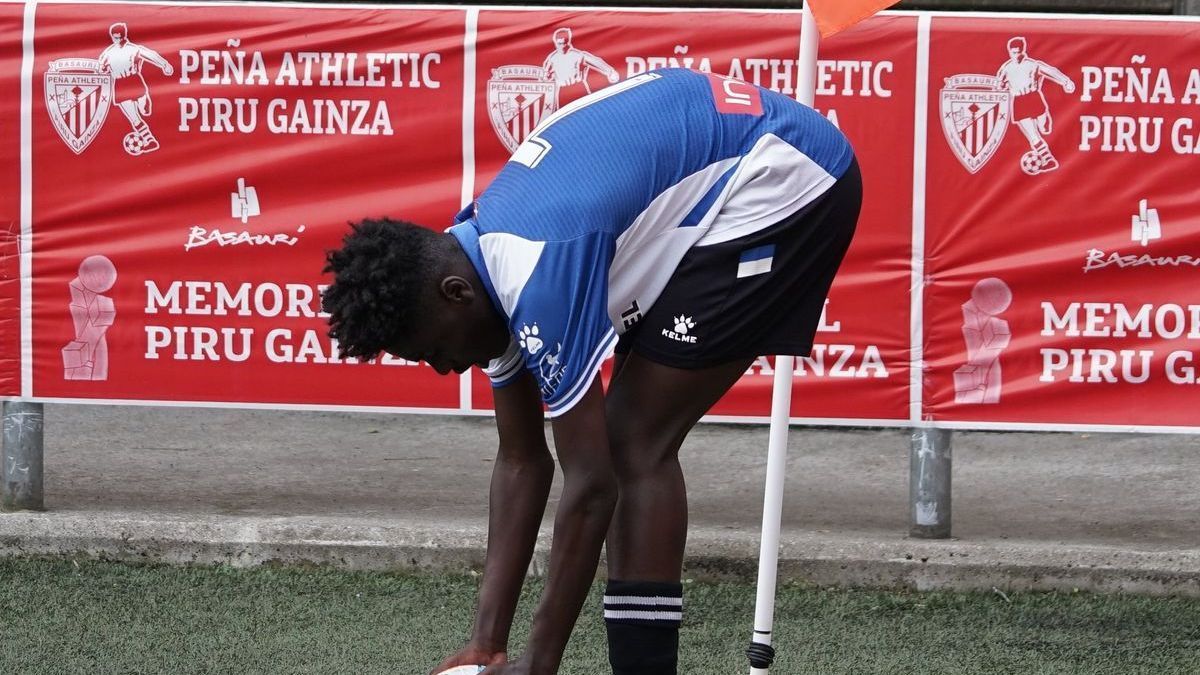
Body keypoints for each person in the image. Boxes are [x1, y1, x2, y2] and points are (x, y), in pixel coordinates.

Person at [322, 68, 862, 675]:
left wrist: (539, 660)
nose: (445, 369)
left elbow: (591, 483)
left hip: (789, 176)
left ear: (454, 295)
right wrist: (487, 644)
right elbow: (521, 460)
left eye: (430, 351)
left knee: (632, 444)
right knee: (624, 437)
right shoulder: (479, 264)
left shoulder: (535, 275)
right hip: (721, 160)